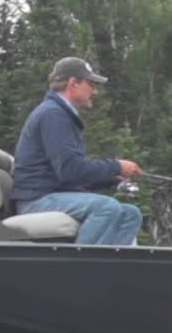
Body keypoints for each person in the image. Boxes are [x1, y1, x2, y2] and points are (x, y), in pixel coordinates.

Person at [10, 56, 143, 246]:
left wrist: (112, 178)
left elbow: (69, 176)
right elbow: (70, 170)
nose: (95, 91)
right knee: (107, 208)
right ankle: (79, 271)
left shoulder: (59, 113)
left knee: (130, 214)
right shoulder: (53, 115)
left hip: (49, 194)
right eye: (91, 84)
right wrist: (117, 166)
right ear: (73, 83)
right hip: (35, 200)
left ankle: (110, 272)